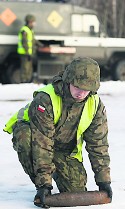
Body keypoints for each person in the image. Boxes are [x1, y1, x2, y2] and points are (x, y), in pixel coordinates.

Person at [3, 57, 112, 208]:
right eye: (78, 86)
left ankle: (54, 172)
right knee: (24, 137)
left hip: (63, 149)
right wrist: (44, 185)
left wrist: (104, 180)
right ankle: (42, 182)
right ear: (68, 80)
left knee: (76, 189)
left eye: (86, 89)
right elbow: (42, 144)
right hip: (36, 140)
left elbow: (98, 145)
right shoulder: (45, 99)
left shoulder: (95, 105)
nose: (81, 93)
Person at [17, 14, 43, 83]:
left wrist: (40, 45)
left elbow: (33, 40)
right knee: (25, 69)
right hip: (25, 54)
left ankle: (27, 83)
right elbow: (24, 43)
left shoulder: (30, 30)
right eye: (33, 22)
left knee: (29, 69)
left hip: (29, 54)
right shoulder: (24, 30)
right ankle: (23, 83)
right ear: (29, 22)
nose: (34, 24)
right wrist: (28, 53)